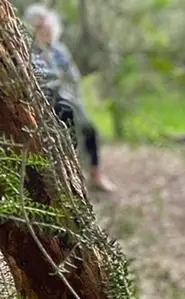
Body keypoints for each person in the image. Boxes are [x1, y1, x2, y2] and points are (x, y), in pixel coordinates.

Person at [24, 4, 116, 192]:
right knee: (67, 122)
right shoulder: (29, 52)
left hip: (69, 99)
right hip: (47, 103)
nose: (45, 30)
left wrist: (76, 98)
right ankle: (71, 174)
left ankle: (96, 175)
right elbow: (38, 81)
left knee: (90, 129)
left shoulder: (60, 50)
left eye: (47, 26)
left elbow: (73, 78)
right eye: (40, 27)